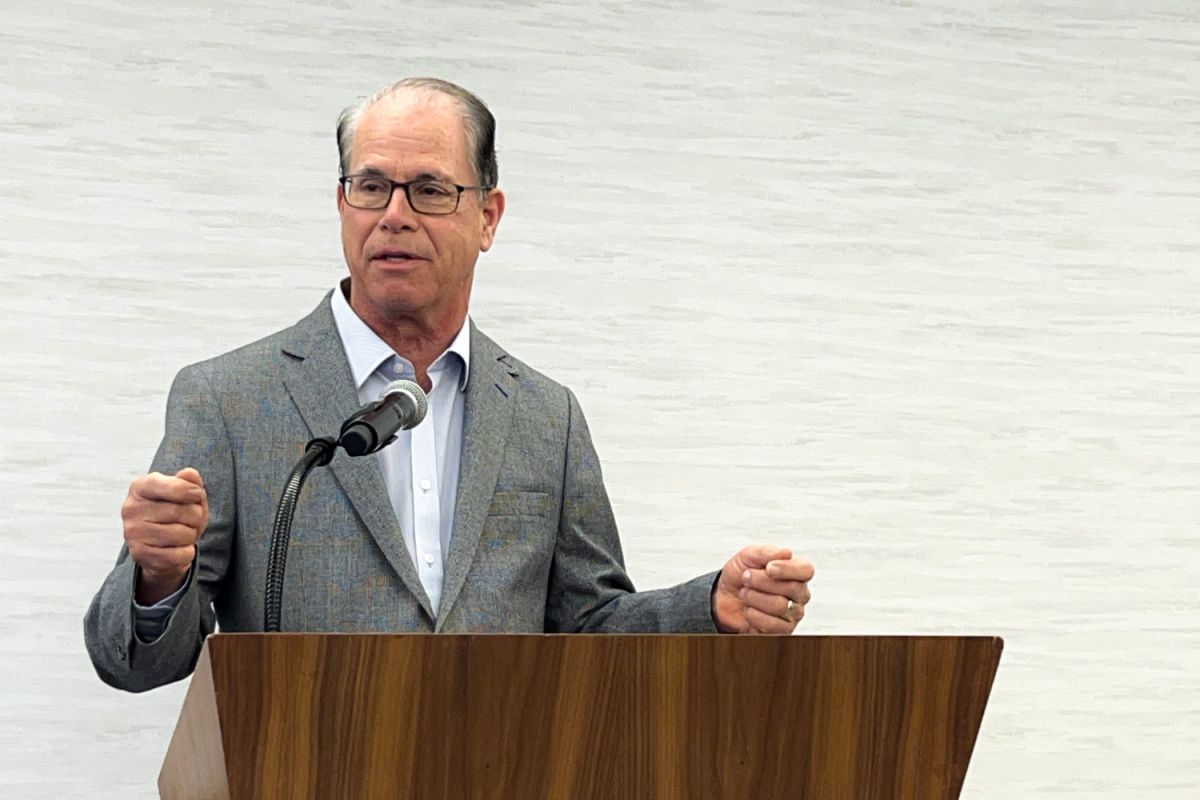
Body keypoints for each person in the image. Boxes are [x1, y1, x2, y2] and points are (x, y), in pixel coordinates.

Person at [84, 78, 815, 693]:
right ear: (342, 204)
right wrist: (156, 577)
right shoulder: (230, 398)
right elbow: (134, 662)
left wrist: (707, 607)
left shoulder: (543, 414)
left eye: (430, 189)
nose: (394, 215)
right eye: (371, 186)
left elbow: (589, 629)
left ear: (487, 217)